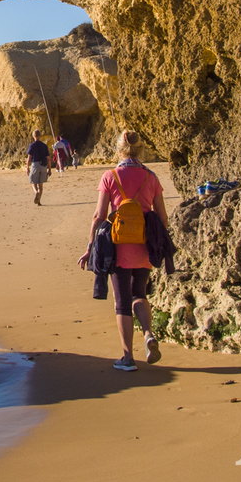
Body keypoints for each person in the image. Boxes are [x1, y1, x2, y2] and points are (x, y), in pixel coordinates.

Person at [77, 130, 168, 371]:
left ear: (118, 150)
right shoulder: (151, 177)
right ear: (140, 150)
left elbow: (99, 216)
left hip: (117, 247)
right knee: (140, 293)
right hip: (143, 245)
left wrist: (90, 247)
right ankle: (148, 333)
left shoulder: (110, 176)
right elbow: (163, 217)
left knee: (122, 303)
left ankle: (127, 357)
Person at [26, 129, 51, 205]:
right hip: (44, 165)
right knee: (41, 185)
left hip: (35, 165)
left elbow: (29, 158)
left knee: (33, 182)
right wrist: (49, 169)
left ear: (33, 136)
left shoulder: (32, 145)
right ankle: (39, 201)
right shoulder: (44, 146)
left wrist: (27, 167)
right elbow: (48, 158)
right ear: (40, 136)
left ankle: (36, 192)